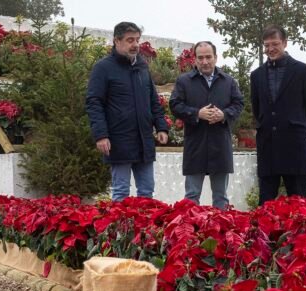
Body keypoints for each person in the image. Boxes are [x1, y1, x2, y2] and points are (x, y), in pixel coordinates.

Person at [86, 21, 169, 201]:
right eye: (130, 40)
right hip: (118, 141)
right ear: (117, 41)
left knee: (146, 193)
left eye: (137, 40)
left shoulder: (142, 67)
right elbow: (94, 102)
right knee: (121, 192)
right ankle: (121, 230)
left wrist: (161, 127)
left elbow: (153, 100)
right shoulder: (103, 68)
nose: (135, 45)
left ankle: (143, 230)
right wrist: (101, 135)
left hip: (144, 141)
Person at [169, 41, 244, 209]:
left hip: (220, 146)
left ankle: (221, 233)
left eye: (208, 57)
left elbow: (239, 104)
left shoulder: (229, 81)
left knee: (221, 198)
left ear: (216, 58)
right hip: (196, 146)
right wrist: (197, 113)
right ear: (194, 60)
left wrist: (224, 115)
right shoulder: (184, 81)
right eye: (200, 58)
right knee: (191, 197)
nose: (205, 62)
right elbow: (175, 105)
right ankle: (189, 233)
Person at [250, 25, 306, 205]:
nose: (270, 49)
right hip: (268, 147)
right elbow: (257, 109)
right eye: (266, 45)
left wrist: (297, 127)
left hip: (294, 146)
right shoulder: (256, 76)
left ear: (285, 43)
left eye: (275, 44)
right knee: (265, 204)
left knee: (298, 204)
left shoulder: (302, 71)